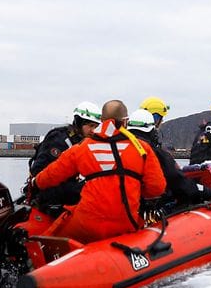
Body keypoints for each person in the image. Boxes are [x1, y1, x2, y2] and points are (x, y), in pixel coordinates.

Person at [32, 100, 166, 243]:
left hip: (86, 224)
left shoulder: (82, 148)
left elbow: (51, 175)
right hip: (126, 223)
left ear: (102, 121)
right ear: (126, 122)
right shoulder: (142, 149)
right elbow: (157, 187)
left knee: (51, 240)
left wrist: (34, 184)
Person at [26, 101, 101, 213]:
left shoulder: (84, 142)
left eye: (96, 127)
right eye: (90, 126)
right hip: (50, 194)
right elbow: (39, 172)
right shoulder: (59, 140)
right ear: (79, 123)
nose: (93, 130)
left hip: (68, 189)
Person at [128, 109, 205, 207]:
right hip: (149, 209)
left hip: (124, 207)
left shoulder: (118, 149)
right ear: (152, 129)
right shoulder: (157, 154)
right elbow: (180, 184)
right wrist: (210, 192)